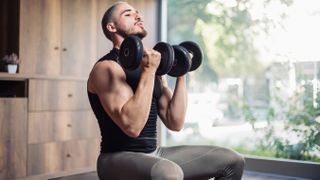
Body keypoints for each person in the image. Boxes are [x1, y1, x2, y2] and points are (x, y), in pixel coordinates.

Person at [87, 1, 245, 180]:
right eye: (128, 14)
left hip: (155, 154)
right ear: (112, 27)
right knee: (168, 172)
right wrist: (149, 71)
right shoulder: (107, 68)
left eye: (138, 13)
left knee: (232, 160)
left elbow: (175, 121)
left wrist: (182, 71)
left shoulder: (151, 68)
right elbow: (132, 127)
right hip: (115, 160)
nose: (138, 16)